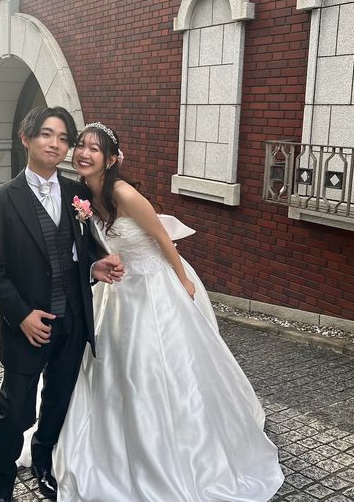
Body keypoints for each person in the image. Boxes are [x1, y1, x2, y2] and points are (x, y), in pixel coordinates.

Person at [52, 122, 285, 502]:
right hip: (117, 288)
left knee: (158, 366)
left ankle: (176, 443)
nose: (84, 153)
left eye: (94, 148)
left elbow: (162, 237)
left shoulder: (124, 193)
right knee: (110, 363)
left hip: (155, 285)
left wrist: (184, 282)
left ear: (111, 159)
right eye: (81, 145)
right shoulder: (82, 195)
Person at [0, 107, 124, 502]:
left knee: (58, 401)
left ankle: (44, 463)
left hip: (73, 322)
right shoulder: (0, 200)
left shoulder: (79, 195)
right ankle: (1, 486)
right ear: (26, 138)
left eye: (63, 138)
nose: (55, 144)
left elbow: (79, 253)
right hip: (28, 327)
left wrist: (95, 266)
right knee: (14, 410)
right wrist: (21, 315)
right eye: (46, 134)